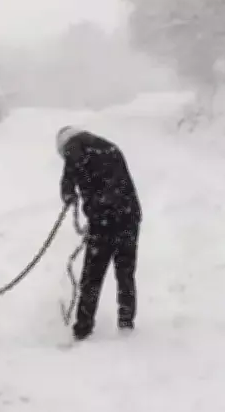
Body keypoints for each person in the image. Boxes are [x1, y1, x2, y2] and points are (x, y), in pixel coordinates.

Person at [56, 126, 142, 340]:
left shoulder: (74, 147)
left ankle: (83, 328)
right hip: (130, 216)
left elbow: (68, 180)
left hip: (105, 222)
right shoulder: (109, 147)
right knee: (125, 272)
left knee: (92, 277)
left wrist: (69, 195)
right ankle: (126, 321)